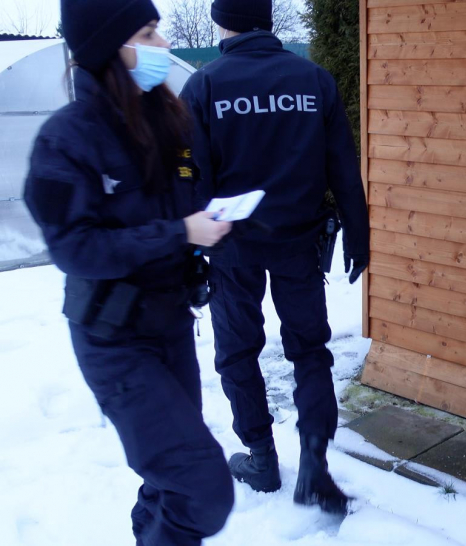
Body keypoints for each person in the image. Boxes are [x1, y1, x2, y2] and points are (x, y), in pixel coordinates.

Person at [23, 1, 235, 544]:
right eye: (147, 32)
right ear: (107, 47)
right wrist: (180, 232)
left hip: (170, 324)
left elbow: (183, 205)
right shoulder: (66, 138)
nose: (163, 44)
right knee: (202, 487)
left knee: (170, 479)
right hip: (114, 340)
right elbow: (75, 249)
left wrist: (213, 220)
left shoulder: (167, 122)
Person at [179, 0, 370, 516]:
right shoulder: (314, 80)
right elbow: (343, 168)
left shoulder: (204, 86)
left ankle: (261, 458)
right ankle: (314, 461)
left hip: (231, 249)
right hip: (298, 242)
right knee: (309, 350)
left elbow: (189, 175)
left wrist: (193, 248)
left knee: (238, 352)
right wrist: (358, 230)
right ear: (266, 19)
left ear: (223, 22)